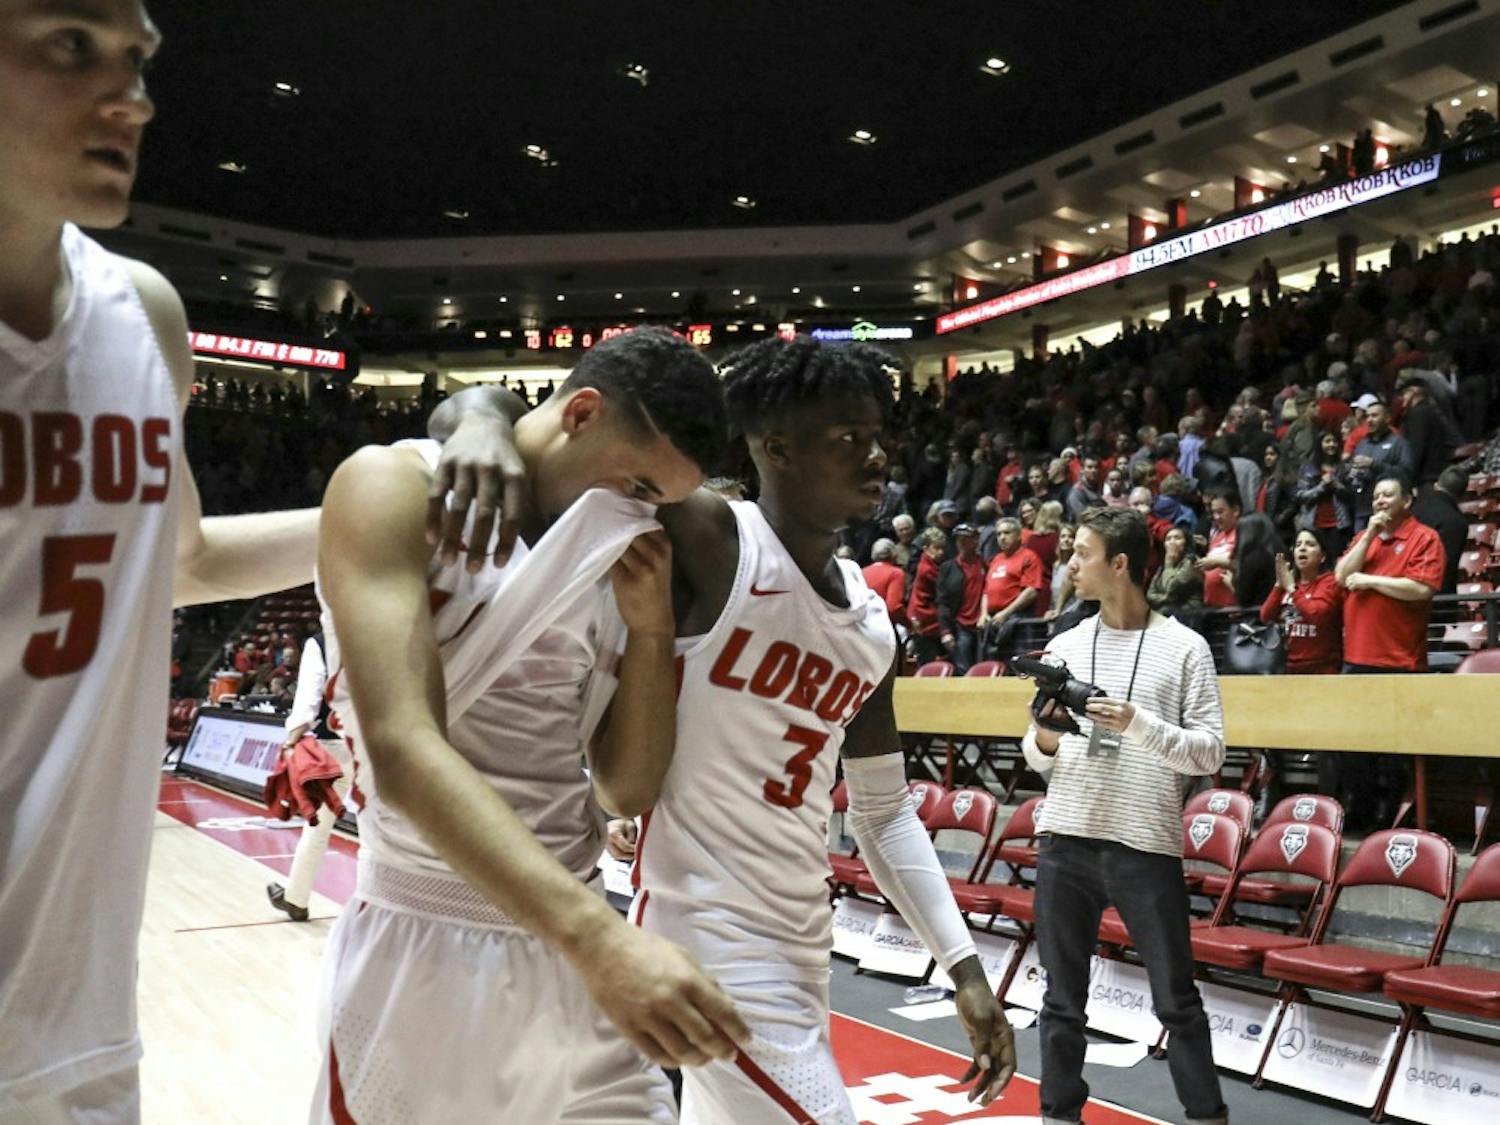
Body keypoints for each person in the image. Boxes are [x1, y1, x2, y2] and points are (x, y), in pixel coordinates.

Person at [503, 336, 1013, 1122]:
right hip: (702, 935)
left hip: (804, 947)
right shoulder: (711, 541)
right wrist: (480, 416)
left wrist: (964, 966)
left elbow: (883, 813)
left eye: (878, 436)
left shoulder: (872, 627)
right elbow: (568, 452)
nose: (876, 456)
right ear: (776, 448)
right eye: (848, 437)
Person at [0, 5, 345, 1119]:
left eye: (138, 58)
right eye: (71, 44)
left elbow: (181, 560)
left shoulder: (141, 317)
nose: (132, 99)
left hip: (81, 1022)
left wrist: (388, 500)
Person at [314, 328, 749, 1122]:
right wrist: (601, 939)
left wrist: (651, 631)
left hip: (577, 939)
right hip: (429, 936)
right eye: (637, 481)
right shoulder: (392, 482)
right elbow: (403, 751)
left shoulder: (618, 551)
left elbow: (623, 789)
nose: (639, 509)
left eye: (656, 499)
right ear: (581, 413)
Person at [1019, 508, 1228, 1125]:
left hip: (1145, 843)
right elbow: (1035, 756)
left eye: (1082, 553)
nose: (1070, 564)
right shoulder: (1064, 645)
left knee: (1176, 1001)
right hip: (1066, 837)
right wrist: (1046, 735)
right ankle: (1059, 1115)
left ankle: (1207, 1116)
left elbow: (1210, 752)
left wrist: (1138, 723)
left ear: (1119, 564)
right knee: (1060, 1001)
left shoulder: (1185, 647)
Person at [1334, 473, 1446, 828]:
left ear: (1407, 500)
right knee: (1354, 742)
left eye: (1387, 495)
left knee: (1394, 748)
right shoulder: (1362, 538)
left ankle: (1395, 817)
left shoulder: (1424, 538)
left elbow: (1422, 589)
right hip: (1356, 658)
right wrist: (1369, 535)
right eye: (1376, 496)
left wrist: (1370, 581)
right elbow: (1341, 576)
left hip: (1399, 659)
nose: (1380, 501)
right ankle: (1361, 811)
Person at [265, 632, 349, 922]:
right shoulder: (384, 629)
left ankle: (296, 899)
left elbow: (308, 701)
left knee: (317, 828)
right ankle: (376, 906)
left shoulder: (321, 642)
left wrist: (291, 741)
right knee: (377, 832)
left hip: (334, 748)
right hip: (377, 744)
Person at [1262, 531, 1344, 676]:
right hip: (1290, 667)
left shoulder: (1330, 582)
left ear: (1322, 556)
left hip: (1324, 669)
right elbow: (1266, 616)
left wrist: (1291, 589)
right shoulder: (1290, 583)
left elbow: (1316, 615)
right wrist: (1279, 585)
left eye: (1310, 544)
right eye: (1298, 545)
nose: (1302, 548)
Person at [980, 517, 1047, 657]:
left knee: (1018, 663)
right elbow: (986, 591)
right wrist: (983, 614)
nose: (1002, 537)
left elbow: (1031, 591)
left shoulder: (1029, 556)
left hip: (1017, 621)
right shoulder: (996, 559)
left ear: (1018, 536)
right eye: (999, 534)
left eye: (1007, 533)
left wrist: (1006, 613)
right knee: (994, 664)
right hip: (994, 621)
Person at [1349, 398, 1412, 529]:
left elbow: (1406, 473)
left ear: (1387, 418)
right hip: (1362, 508)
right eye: (1367, 416)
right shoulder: (1362, 444)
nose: (1369, 420)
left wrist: (1374, 464)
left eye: (1374, 415)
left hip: (1388, 509)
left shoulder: (1399, 443)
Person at [1295, 431, 1355, 562]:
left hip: (1339, 524)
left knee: (1336, 561)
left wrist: (1336, 485)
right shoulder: (1309, 468)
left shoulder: (1344, 467)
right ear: (1320, 444)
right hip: (1313, 524)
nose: (1331, 444)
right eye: (1327, 441)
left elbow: (1352, 496)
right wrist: (1322, 486)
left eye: (1334, 441)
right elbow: (1301, 496)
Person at [1411, 466, 1470, 595]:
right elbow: (1446, 566)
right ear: (1462, 495)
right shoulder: (1457, 521)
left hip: (1405, 587)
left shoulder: (1413, 508)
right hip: (1436, 595)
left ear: (1436, 485)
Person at [936, 522, 987, 675]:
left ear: (976, 540)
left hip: (983, 626)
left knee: (985, 669)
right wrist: (945, 631)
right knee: (963, 670)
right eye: (959, 539)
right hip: (960, 626)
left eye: (966, 538)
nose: (962, 543)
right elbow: (942, 602)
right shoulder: (947, 568)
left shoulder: (985, 564)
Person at [906, 527, 948, 667]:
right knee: (928, 664)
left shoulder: (932, 564)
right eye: (936, 548)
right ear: (926, 548)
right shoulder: (927, 569)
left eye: (942, 548)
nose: (940, 552)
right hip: (925, 621)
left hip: (925, 619)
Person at [1196, 490, 1241, 609]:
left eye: (1220, 512)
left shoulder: (1244, 533)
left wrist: (1217, 562)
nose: (1216, 517)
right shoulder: (1217, 537)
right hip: (1212, 605)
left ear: (1235, 510)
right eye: (1213, 512)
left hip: (1234, 607)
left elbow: (1245, 564)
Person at [1146, 527, 1204, 619]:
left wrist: (1169, 564)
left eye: (1177, 538)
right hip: (1168, 612)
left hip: (1189, 615)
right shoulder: (1162, 566)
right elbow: (1150, 594)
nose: (1172, 542)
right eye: (1168, 539)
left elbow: (1172, 588)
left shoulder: (1192, 562)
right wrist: (1167, 598)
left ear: (1186, 543)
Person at [1230, 513, 1282, 610]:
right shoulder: (1280, 552)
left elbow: (1244, 599)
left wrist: (1230, 584)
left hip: (1257, 613)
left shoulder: (1252, 559)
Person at [862, 538, 907, 625]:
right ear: (894, 554)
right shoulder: (895, 573)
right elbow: (893, 607)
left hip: (863, 624)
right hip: (884, 625)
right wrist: (909, 625)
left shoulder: (861, 572)